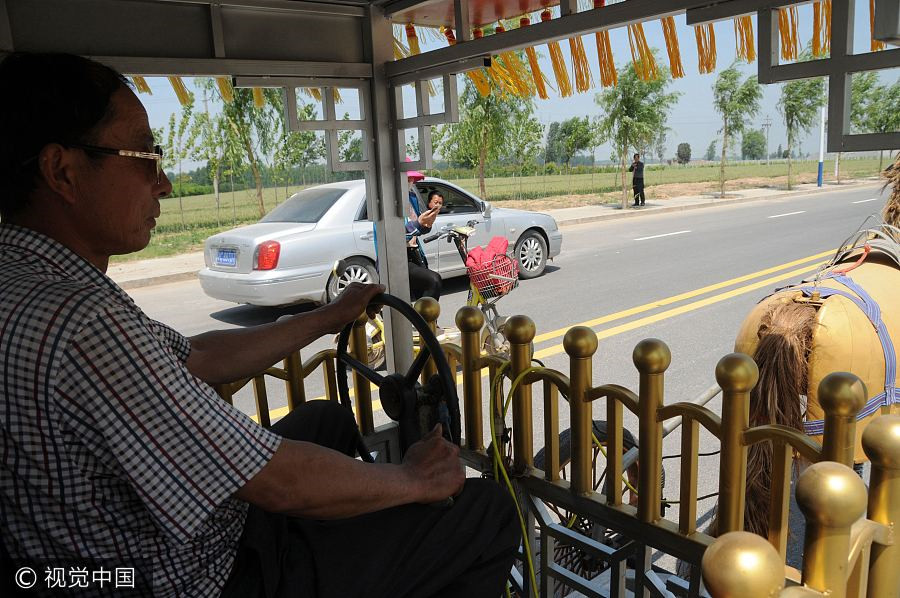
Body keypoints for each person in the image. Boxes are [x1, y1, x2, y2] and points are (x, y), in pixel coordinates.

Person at [0, 53, 519, 597]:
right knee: (486, 511)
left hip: (97, 554)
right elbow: (277, 481)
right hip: (203, 575)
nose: (165, 183)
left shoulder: (29, 281)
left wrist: (327, 318)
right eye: (144, 156)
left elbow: (199, 357)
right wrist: (414, 479)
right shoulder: (83, 323)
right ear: (62, 170)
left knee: (325, 420)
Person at [404, 176, 442, 302]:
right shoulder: (388, 204)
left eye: (412, 179)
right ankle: (424, 320)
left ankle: (427, 321)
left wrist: (427, 224)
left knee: (425, 292)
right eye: (407, 179)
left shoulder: (411, 198)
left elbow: (418, 229)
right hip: (398, 258)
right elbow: (396, 234)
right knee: (433, 280)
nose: (411, 182)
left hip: (414, 253)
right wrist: (419, 224)